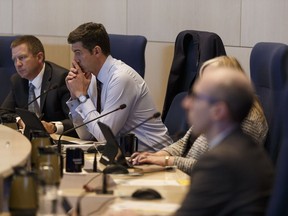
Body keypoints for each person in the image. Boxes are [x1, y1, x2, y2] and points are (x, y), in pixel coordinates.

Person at [131, 56, 268, 174]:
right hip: (184, 176)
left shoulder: (246, 118)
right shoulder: (213, 107)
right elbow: (184, 143)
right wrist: (157, 155)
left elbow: (216, 169)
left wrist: (166, 161)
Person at [175, 64, 274, 215]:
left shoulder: (219, 162)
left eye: (195, 97)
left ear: (218, 111)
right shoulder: (245, 150)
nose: (186, 103)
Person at [65, 22, 172, 151]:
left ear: (96, 51)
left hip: (156, 156)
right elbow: (86, 135)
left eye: (78, 53)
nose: (75, 60)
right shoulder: (93, 79)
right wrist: (75, 97)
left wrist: (82, 96)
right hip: (125, 156)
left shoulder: (121, 78)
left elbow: (104, 136)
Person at [0, 35, 75, 136]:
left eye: (22, 58)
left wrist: (53, 127)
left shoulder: (60, 79)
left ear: (39, 57)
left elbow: (76, 121)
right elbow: (3, 113)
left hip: (56, 142)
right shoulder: (18, 80)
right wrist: (19, 120)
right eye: (14, 60)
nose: (17, 64)